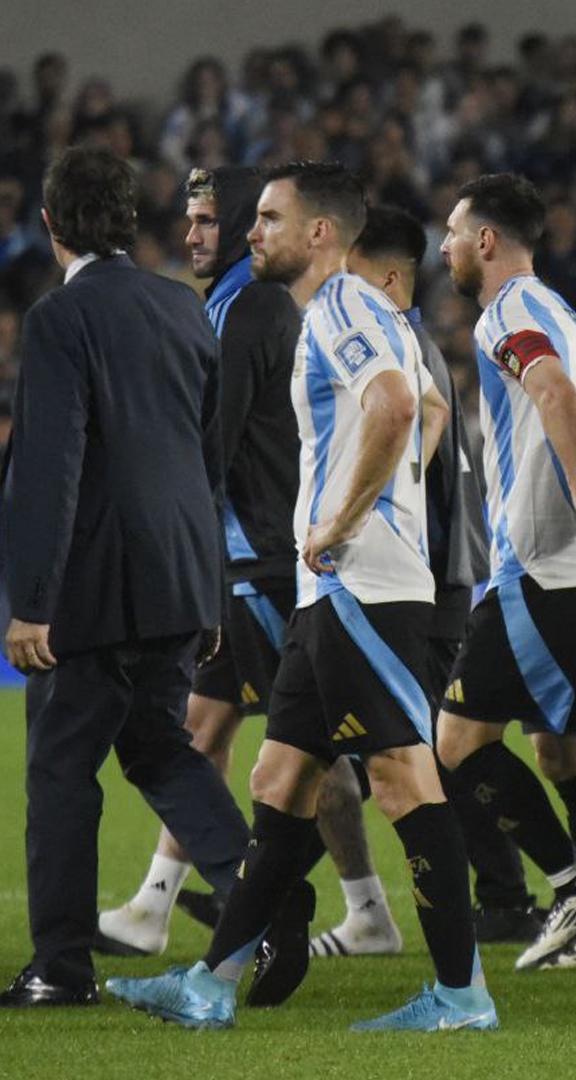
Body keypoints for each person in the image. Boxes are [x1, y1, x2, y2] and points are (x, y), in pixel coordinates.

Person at [107, 162, 499, 1033]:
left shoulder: (343, 308)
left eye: (271, 218)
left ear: (321, 232)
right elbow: (431, 407)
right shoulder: (362, 311)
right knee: (280, 778)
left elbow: (400, 403)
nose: (253, 231)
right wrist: (386, 503)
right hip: (343, 590)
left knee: (403, 780)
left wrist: (343, 522)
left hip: (360, 589)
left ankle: (463, 996)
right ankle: (210, 984)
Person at [0, 146, 249, 1008]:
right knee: (156, 747)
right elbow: (205, 464)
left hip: (96, 590)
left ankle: (62, 968)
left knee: (61, 769)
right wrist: (210, 589)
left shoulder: (58, 320)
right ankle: (265, 905)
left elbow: (50, 465)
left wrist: (32, 604)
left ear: (50, 225)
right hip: (180, 579)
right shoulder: (185, 310)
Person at [436, 172, 576, 970]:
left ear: (487, 241)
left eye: (455, 234)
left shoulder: (511, 312)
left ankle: (571, 888)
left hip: (541, 573)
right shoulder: (559, 308)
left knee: (455, 744)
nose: (446, 247)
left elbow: (554, 389)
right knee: (567, 752)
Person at [309, 203, 539, 959]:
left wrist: (386, 544)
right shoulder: (410, 340)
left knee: (425, 754)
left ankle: (509, 897)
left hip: (429, 575)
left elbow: (422, 444)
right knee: (403, 752)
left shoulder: (386, 339)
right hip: (435, 571)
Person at [95, 164, 304, 960]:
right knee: (335, 755)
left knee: (207, 729)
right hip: (263, 555)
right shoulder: (233, 304)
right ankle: (367, 908)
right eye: (192, 220)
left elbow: (206, 440)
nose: (193, 234)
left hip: (252, 557)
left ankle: (161, 907)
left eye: (211, 220)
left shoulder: (246, 307)